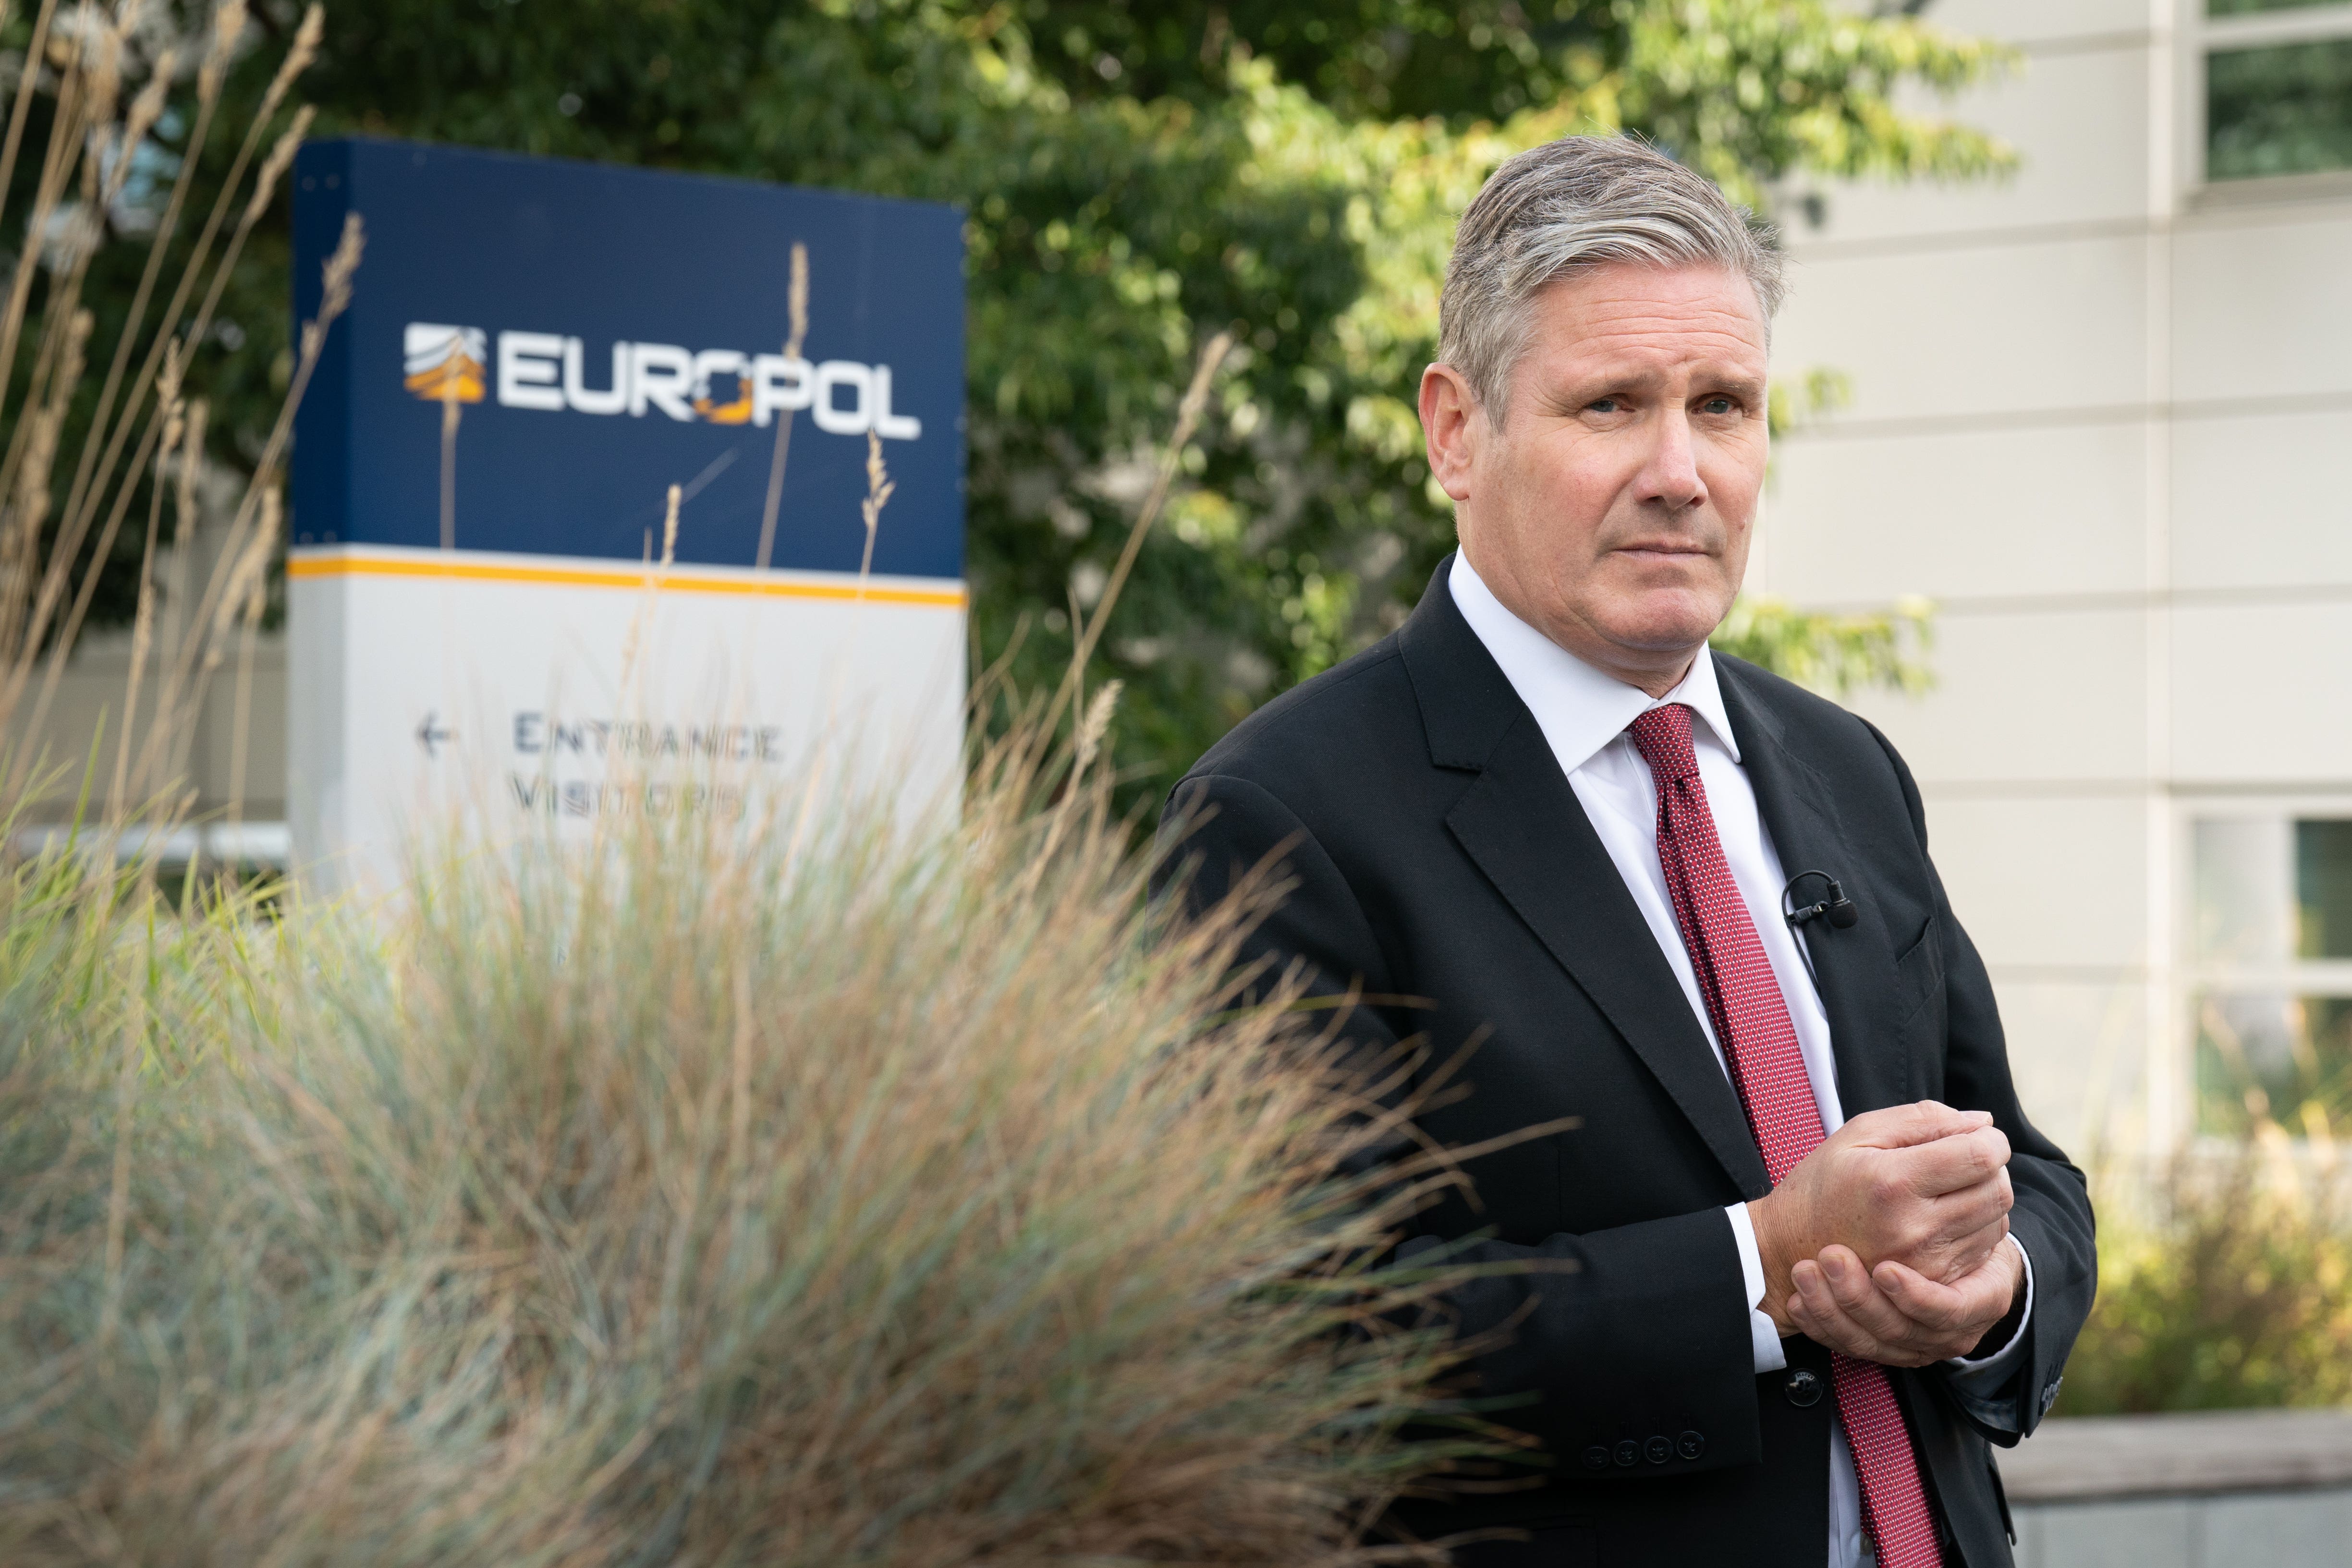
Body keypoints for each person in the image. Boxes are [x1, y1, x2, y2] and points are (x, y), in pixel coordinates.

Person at [1159, 135, 2094, 1568]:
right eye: (1611, 405)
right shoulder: (1284, 818)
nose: (1680, 472)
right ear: (1454, 432)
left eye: (1722, 405)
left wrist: (1995, 1280)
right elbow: (1296, 1342)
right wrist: (1760, 1266)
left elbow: (2020, 1165)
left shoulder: (1846, 768)